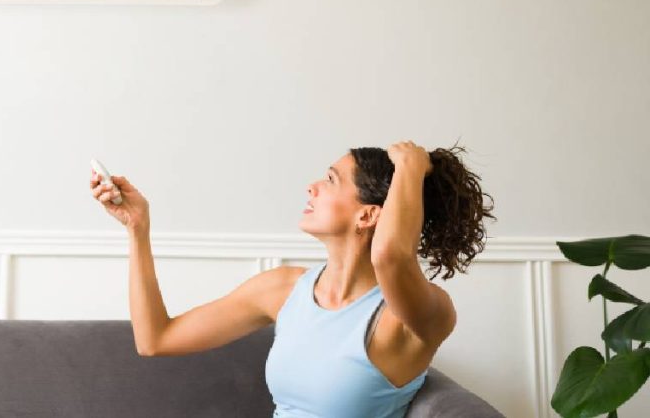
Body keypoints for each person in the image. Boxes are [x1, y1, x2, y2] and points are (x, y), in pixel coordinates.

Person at [89, 141, 495, 418]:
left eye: (332, 180)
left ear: (368, 215)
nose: (312, 187)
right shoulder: (283, 289)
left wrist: (411, 164)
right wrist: (137, 228)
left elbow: (390, 256)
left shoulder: (415, 318)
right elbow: (155, 340)